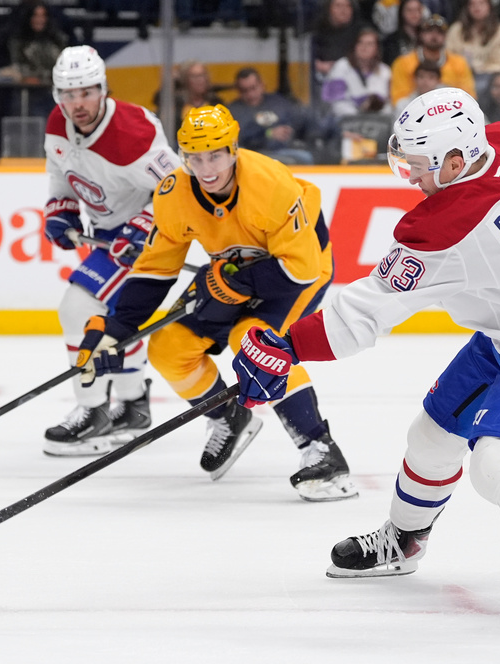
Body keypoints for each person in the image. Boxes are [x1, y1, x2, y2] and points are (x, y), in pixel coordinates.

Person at [233, 87, 500, 634]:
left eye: (420, 166)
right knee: (431, 436)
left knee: (497, 461)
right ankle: (403, 540)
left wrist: (287, 349)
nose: (411, 178)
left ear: (456, 160)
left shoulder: (447, 228)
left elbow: (361, 316)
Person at [74, 104, 356, 502]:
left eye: (215, 155)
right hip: (232, 272)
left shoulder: (270, 184)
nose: (206, 168)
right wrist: (114, 329)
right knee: (169, 348)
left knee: (254, 342)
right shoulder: (173, 193)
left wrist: (236, 283)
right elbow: (155, 269)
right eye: (194, 157)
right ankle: (229, 416)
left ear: (234, 149)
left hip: (297, 271)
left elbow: (301, 269)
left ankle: (323, 452)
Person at [40, 46, 180, 456]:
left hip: (152, 236)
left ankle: (93, 410)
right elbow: (60, 171)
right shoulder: (57, 123)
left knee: (76, 310)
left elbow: (178, 190)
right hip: (108, 234)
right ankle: (134, 405)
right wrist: (61, 209)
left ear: (102, 89)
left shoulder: (133, 133)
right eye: (67, 94)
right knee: (115, 321)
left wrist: (143, 225)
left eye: (85, 92)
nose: (76, 104)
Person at [227, 66, 321, 165]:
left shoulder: (278, 103)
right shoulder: (233, 111)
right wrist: (268, 133)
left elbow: (298, 122)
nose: (250, 94)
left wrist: (290, 130)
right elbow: (239, 141)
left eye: (253, 88)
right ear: (238, 90)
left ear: (262, 85)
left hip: (282, 150)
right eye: (244, 90)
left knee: (306, 157)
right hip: (252, 154)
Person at [390, 15, 476, 104]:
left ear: (445, 36)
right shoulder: (403, 63)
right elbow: (398, 99)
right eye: (429, 31)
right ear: (421, 34)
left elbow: (469, 96)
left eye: (440, 32)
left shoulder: (459, 63)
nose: (434, 36)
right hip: (414, 110)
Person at [322, 27, 393, 118]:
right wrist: (358, 116)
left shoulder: (385, 71)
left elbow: (389, 102)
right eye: (360, 42)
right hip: (347, 120)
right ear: (354, 46)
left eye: (369, 44)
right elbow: (334, 102)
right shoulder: (341, 67)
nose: (364, 47)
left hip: (378, 121)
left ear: (377, 49)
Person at [444, 0, 500, 74]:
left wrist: (480, 70)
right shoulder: (456, 30)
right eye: (472, 4)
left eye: (481, 3)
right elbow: (447, 55)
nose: (476, 7)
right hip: (460, 76)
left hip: (492, 78)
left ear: (490, 6)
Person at [382, 0, 430, 65]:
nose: (414, 14)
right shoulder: (391, 41)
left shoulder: (428, 38)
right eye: (410, 10)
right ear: (402, 13)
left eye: (417, 10)